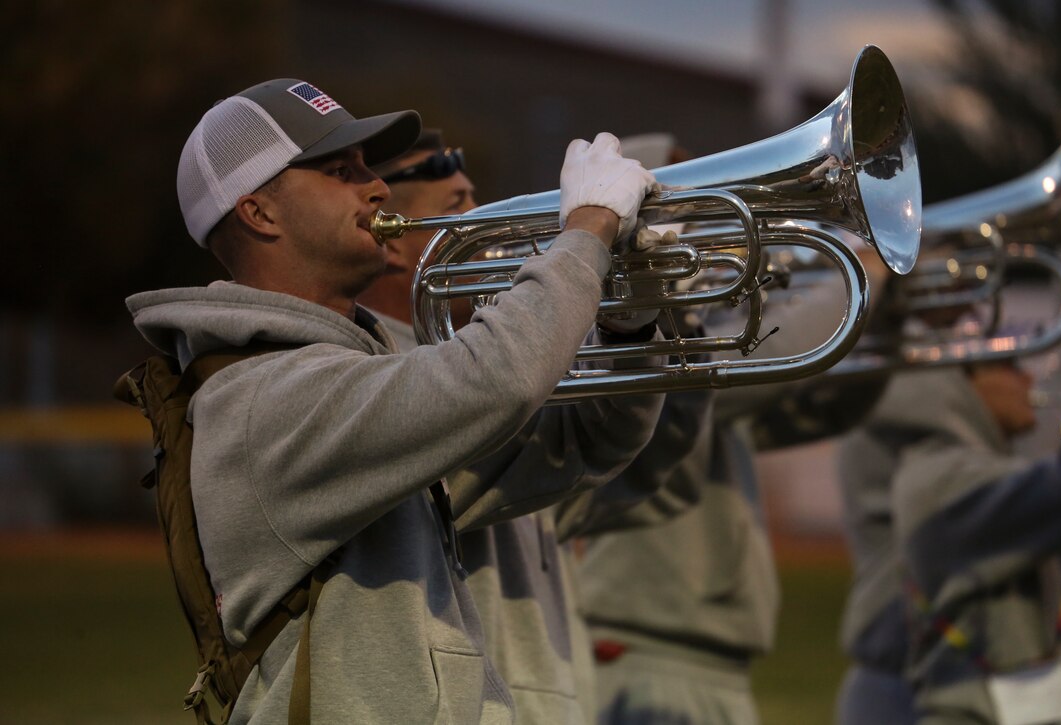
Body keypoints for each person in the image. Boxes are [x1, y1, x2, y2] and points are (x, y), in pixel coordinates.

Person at [126, 79, 666, 723]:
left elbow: (583, 441)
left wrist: (628, 323)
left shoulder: (348, 379)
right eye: (340, 170)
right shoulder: (262, 399)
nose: (376, 186)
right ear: (260, 213)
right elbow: (496, 379)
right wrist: (587, 232)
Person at [359, 129, 706, 722]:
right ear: (394, 242)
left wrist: (645, 320)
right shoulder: (382, 377)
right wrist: (584, 241)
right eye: (458, 207)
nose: (488, 222)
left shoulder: (489, 370)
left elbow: (624, 452)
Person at [574, 133, 887, 725]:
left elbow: (820, 408)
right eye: (683, 197)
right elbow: (768, 372)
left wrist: (884, 322)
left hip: (702, 656)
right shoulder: (632, 342)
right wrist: (865, 277)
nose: (711, 207)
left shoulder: (701, 322)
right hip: (651, 654)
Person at [836, 358, 1061, 725]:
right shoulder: (935, 480)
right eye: (1008, 365)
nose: (1027, 377)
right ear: (955, 384)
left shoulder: (992, 469)